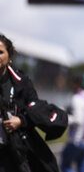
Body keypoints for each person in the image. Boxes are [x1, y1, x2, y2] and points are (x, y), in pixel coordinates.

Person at [0, 34, 68, 172]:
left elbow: (35, 110)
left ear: (9, 56)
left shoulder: (21, 82)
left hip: (15, 152)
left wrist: (21, 121)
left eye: (0, 52)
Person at [60, 72, 84, 172]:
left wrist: (63, 118)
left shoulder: (77, 98)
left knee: (65, 166)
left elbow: (78, 119)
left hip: (78, 139)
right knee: (82, 166)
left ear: (78, 83)